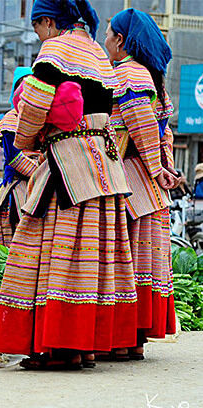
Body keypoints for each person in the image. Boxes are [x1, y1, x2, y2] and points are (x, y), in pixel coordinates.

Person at [0, 0, 137, 369]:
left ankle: (60, 347)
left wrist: (25, 139)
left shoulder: (55, 49)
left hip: (68, 163)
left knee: (55, 251)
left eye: (37, 27)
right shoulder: (99, 54)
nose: (38, 35)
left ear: (47, 22)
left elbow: (36, 104)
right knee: (91, 257)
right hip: (103, 163)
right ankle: (85, 346)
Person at [105, 8, 178, 359]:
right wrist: (165, 167)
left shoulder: (127, 75)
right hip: (151, 187)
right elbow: (164, 132)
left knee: (124, 262)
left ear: (120, 40)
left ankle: (121, 340)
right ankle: (134, 340)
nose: (104, 41)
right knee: (141, 264)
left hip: (129, 178)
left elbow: (142, 127)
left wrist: (155, 166)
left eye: (108, 33)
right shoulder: (153, 78)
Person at [0, 67, 41, 246]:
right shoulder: (10, 120)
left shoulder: (40, 118)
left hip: (39, 184)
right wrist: (42, 171)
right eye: (23, 86)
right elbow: (14, 158)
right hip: (19, 186)